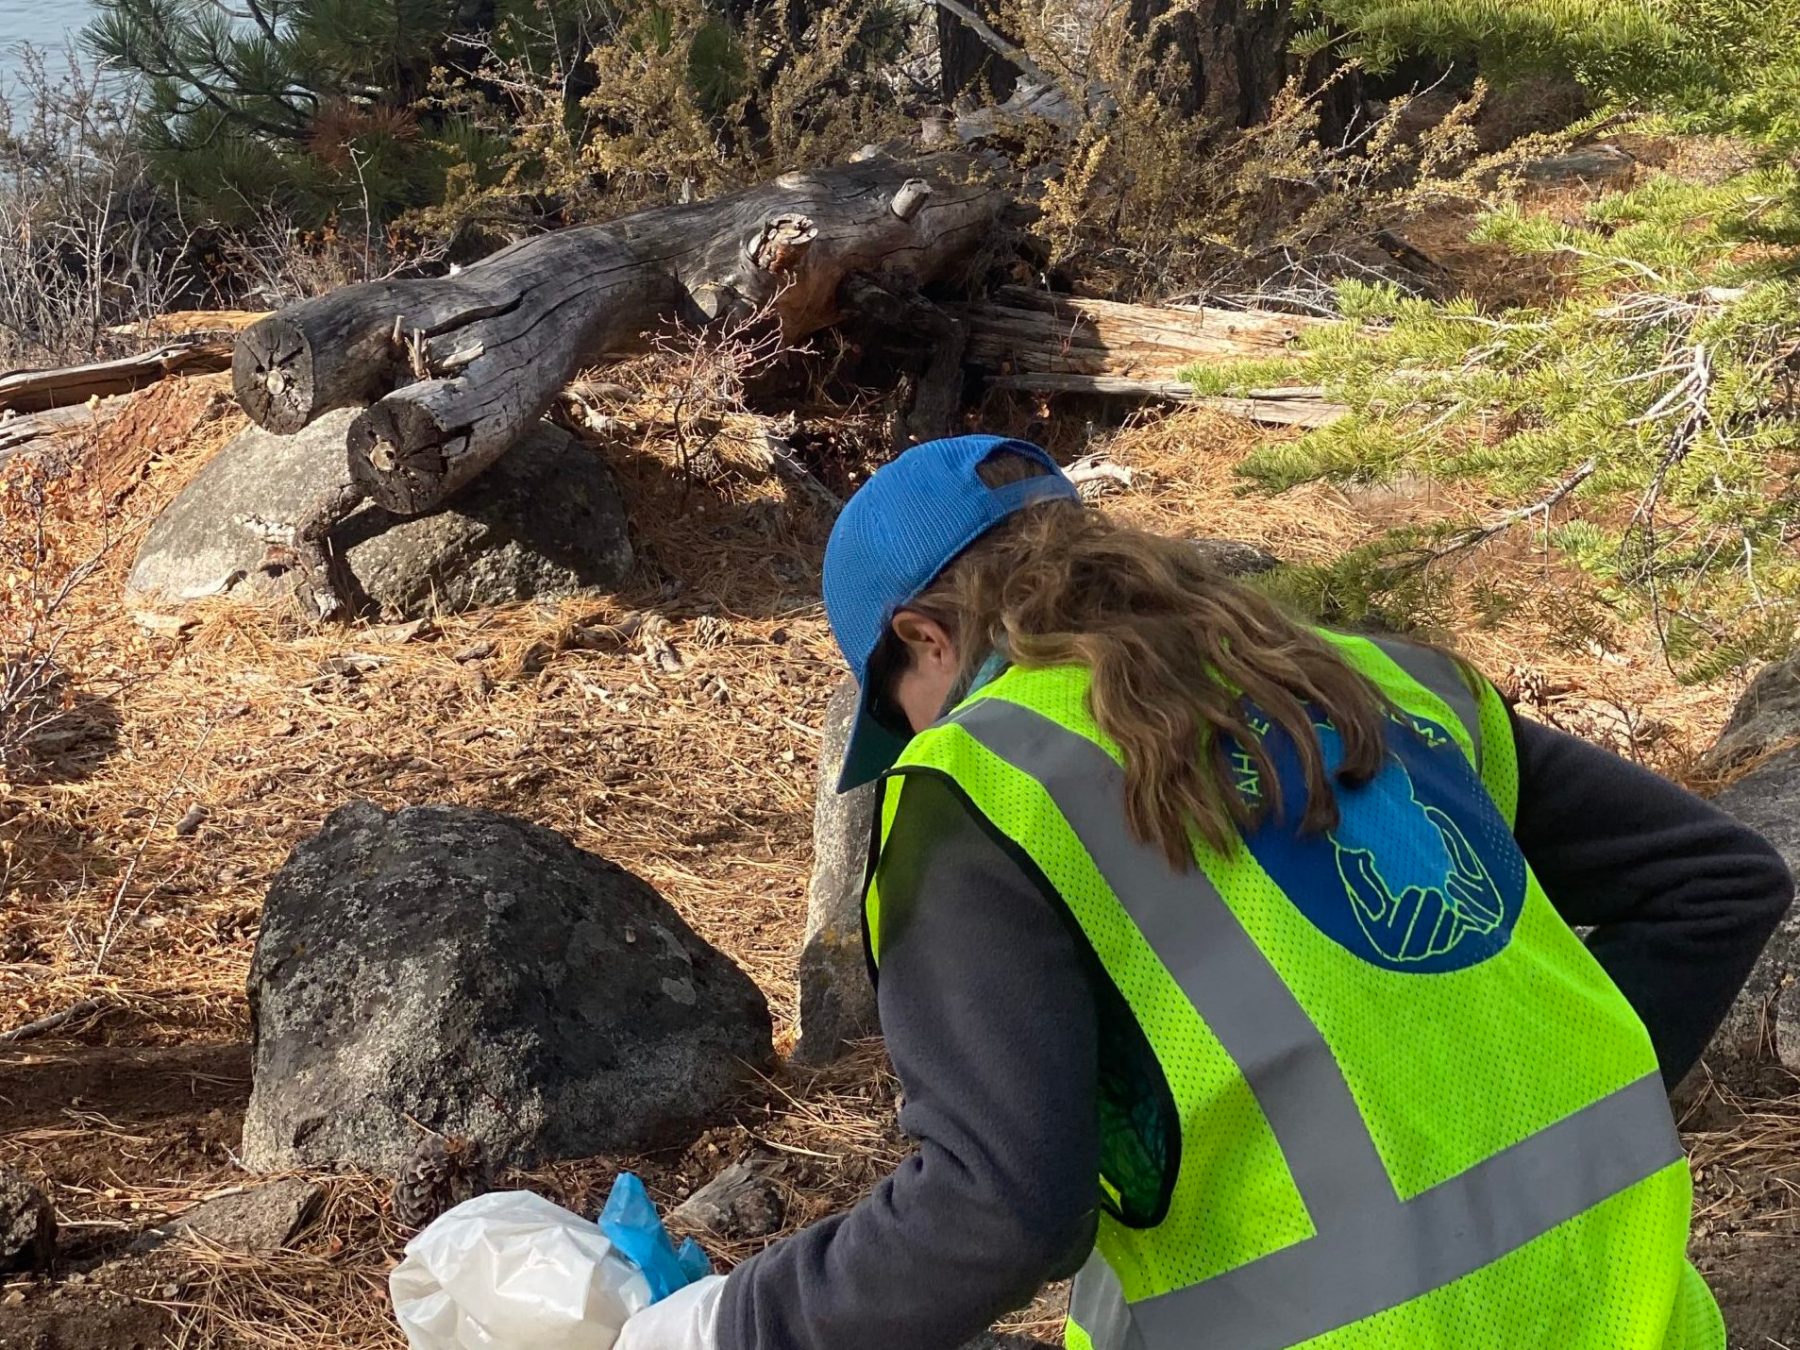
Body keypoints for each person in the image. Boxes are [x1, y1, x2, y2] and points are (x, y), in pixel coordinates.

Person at [618, 434, 1792, 1350]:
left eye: (898, 704)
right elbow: (1718, 882)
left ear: (925, 636)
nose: (916, 732)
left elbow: (997, 1212)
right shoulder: (1381, 681)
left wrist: (728, 1322)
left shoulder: (982, 790)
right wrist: (1554, 1098)